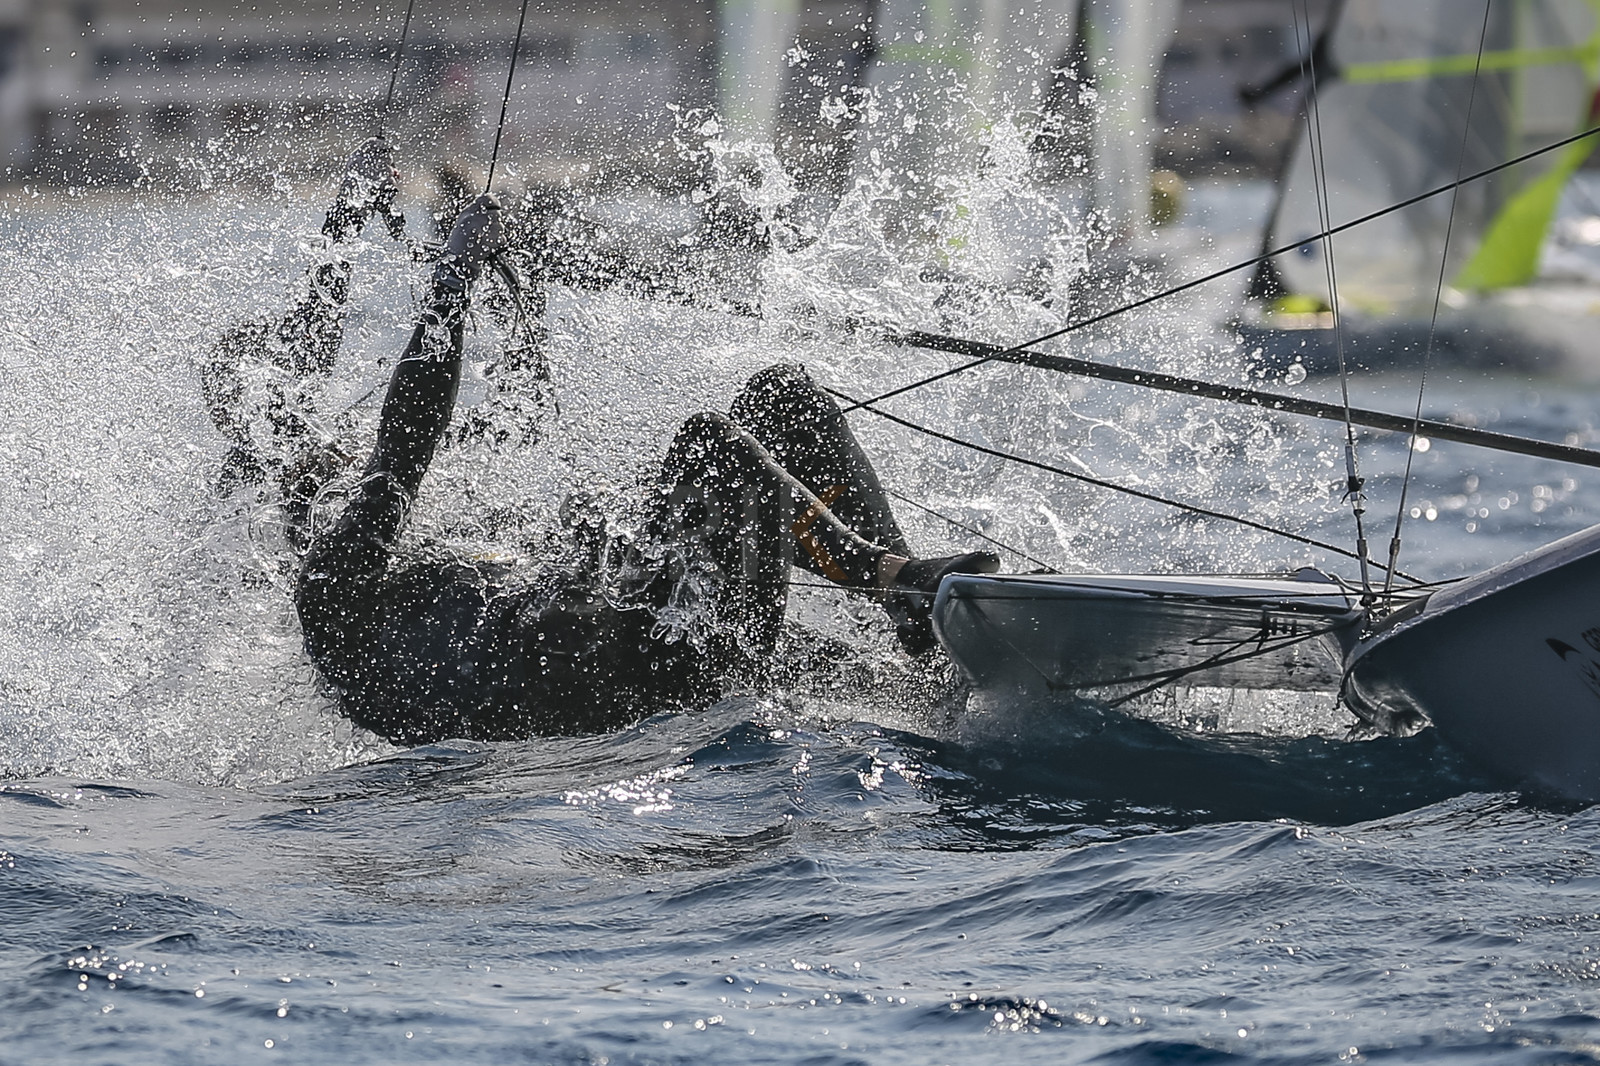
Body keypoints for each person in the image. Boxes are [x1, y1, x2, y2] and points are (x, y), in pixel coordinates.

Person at [290, 192, 1001, 746]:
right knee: (711, 445)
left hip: (672, 650)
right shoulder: (334, 590)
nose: (343, 463)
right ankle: (897, 579)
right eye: (326, 462)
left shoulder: (408, 598)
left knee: (781, 398)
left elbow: (511, 428)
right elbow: (405, 442)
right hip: (667, 684)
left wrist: (514, 297)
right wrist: (451, 281)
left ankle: (916, 645)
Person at [201, 136, 405, 538]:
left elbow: (323, 304)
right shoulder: (287, 455)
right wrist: (353, 200)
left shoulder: (251, 469)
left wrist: (353, 203)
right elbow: (322, 309)